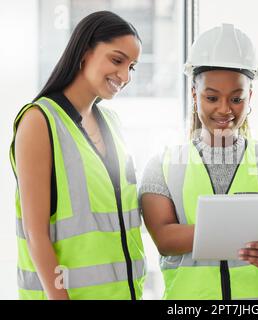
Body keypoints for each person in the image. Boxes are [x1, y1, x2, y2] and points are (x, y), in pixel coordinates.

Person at [140, 23, 258, 300]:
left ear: (249, 97)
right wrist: (238, 231)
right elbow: (165, 240)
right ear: (195, 95)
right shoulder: (162, 163)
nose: (224, 109)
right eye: (212, 97)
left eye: (236, 98)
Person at [10, 11, 145, 300]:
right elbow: (37, 235)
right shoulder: (39, 121)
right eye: (117, 60)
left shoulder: (113, 124)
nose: (125, 76)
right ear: (85, 52)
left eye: (132, 67)